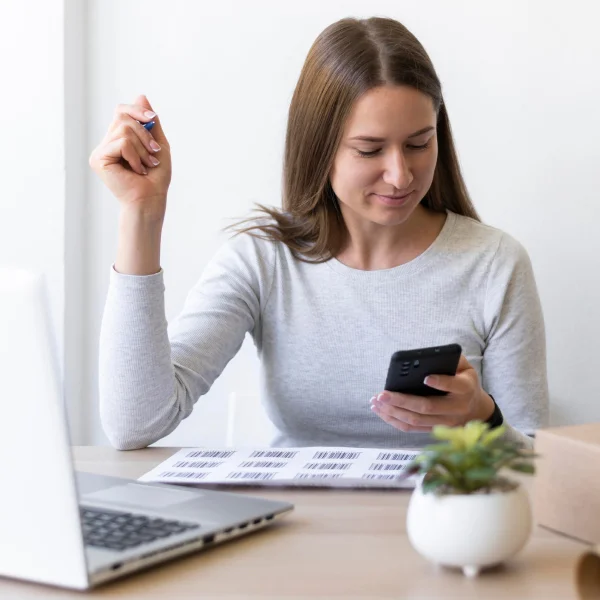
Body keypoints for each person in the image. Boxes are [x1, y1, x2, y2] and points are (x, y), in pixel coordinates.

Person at [90, 16, 548, 451]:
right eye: (370, 149)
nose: (401, 175)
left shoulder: (494, 263)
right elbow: (135, 422)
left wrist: (482, 416)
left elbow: (537, 463)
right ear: (319, 147)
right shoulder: (263, 262)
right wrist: (142, 212)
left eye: (418, 144)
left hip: (445, 525)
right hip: (299, 526)